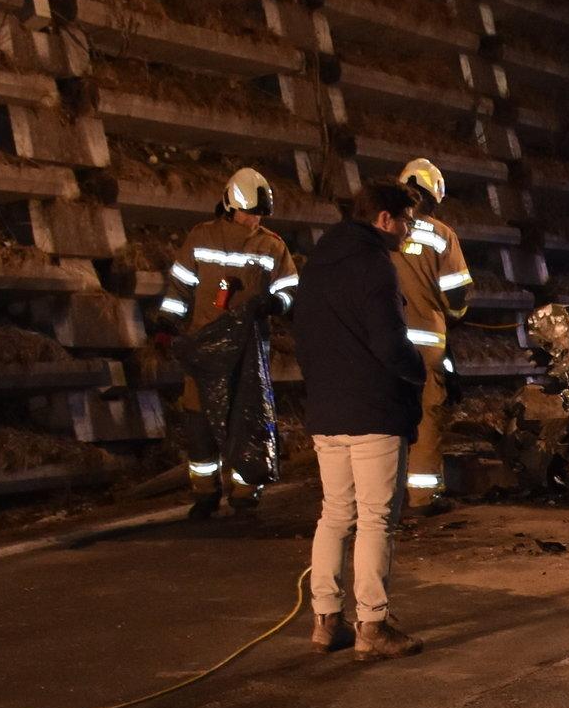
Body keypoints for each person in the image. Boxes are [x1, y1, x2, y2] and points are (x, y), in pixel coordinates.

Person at [291, 181, 430, 661]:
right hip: (373, 410)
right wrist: (419, 371)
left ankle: (326, 621)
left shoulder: (317, 264)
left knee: (334, 515)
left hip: (326, 410)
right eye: (406, 220)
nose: (409, 229)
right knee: (375, 521)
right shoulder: (375, 265)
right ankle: (372, 625)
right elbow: (390, 344)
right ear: (385, 220)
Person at [161, 167, 298, 518]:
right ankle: (205, 492)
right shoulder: (201, 237)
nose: (254, 219)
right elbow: (180, 285)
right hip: (205, 346)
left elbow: (290, 289)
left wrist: (276, 302)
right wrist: (167, 321)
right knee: (199, 424)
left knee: (247, 418)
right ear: (230, 204)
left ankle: (245, 489)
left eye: (259, 214)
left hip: (248, 351)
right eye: (250, 212)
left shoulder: (271, 245)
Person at [391, 157, 475, 514]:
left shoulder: (380, 229)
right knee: (425, 416)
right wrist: (452, 317)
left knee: (382, 418)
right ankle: (424, 497)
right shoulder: (440, 235)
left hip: (381, 340)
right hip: (425, 344)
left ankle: (382, 497)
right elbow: (457, 295)